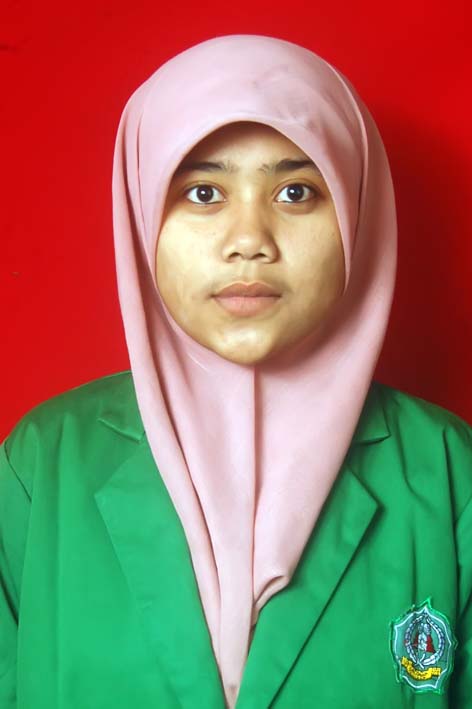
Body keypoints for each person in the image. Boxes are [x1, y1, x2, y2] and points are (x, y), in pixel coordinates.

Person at [0, 34, 471, 709]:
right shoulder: (40, 467)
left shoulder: (450, 473)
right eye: (202, 192)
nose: (249, 239)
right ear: (142, 211)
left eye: (296, 191)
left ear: (356, 211)